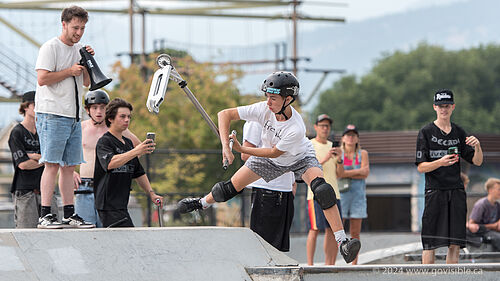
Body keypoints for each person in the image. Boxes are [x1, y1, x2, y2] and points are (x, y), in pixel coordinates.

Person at [177, 71, 360, 263]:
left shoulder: (296, 128)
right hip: (271, 160)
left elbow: (273, 152)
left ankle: (343, 243)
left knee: (322, 190)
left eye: (273, 98)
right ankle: (202, 203)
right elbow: (225, 114)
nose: (268, 102)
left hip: (300, 157)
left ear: (288, 99)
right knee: (229, 188)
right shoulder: (263, 109)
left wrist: (240, 148)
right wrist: (226, 147)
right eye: (267, 96)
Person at [35, 6, 95, 228]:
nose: (78, 32)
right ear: (64, 24)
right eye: (75, 27)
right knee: (51, 164)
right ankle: (45, 214)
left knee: (69, 166)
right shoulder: (50, 47)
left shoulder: (79, 49)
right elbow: (42, 78)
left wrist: (87, 61)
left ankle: (70, 213)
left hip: (74, 115)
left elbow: (87, 82)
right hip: (52, 113)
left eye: (82, 28)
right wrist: (69, 71)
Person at [415, 89, 483, 264]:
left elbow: (477, 161)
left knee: (455, 242)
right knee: (430, 242)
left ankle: (451, 276)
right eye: (440, 106)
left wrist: (478, 147)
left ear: (452, 107)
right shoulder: (426, 132)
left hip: (456, 191)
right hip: (435, 190)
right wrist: (440, 162)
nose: (443, 109)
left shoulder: (459, 132)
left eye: (446, 106)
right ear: (434, 107)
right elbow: (421, 167)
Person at [73, 90, 141, 227]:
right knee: (85, 231)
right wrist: (70, 172)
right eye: (94, 107)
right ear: (87, 109)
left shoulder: (116, 129)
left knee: (108, 230)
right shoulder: (80, 128)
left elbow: (138, 148)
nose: (99, 111)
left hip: (107, 186)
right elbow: (63, 154)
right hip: (84, 186)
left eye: (103, 107)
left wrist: (122, 169)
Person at [93, 98, 163, 227]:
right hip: (108, 206)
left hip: (121, 205)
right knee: (127, 241)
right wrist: (136, 151)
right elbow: (109, 163)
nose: (126, 120)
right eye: (122, 116)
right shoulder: (104, 142)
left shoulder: (128, 143)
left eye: (129, 117)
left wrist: (151, 194)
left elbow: (138, 172)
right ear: (111, 119)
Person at [241, 120, 296, 252]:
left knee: (279, 247)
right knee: (263, 246)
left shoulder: (291, 122)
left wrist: (292, 183)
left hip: (286, 189)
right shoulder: (257, 121)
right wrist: (277, 159)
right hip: (267, 188)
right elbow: (246, 154)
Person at [8, 91, 57, 228]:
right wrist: (45, 160)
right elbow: (23, 164)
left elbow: (55, 159)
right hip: (25, 192)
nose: (40, 108)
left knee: (54, 236)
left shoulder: (45, 131)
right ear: (25, 107)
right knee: (27, 236)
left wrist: (34, 157)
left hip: (47, 191)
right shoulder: (17, 132)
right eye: (36, 104)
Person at [306, 114, 344, 265]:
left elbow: (340, 174)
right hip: (315, 193)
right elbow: (310, 167)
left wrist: (340, 159)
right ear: (315, 127)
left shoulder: (333, 147)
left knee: (332, 230)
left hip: (334, 192)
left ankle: (331, 264)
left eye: (327, 126)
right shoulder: (309, 144)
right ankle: (310, 264)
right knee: (314, 229)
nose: (325, 128)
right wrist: (327, 157)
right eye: (322, 125)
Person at [336, 124, 370, 265]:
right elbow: (338, 173)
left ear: (357, 138)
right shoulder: (339, 153)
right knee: (339, 230)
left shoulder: (363, 153)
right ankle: (336, 259)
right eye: (348, 135)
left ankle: (354, 263)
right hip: (342, 194)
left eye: (353, 135)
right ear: (343, 138)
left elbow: (365, 173)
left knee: (355, 232)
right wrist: (357, 173)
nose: (350, 138)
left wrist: (346, 174)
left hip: (358, 195)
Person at [466, 178, 500, 251]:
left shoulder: (497, 205)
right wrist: (493, 226)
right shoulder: (481, 204)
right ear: (490, 190)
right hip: (483, 233)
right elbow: (471, 225)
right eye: (499, 189)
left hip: (493, 231)